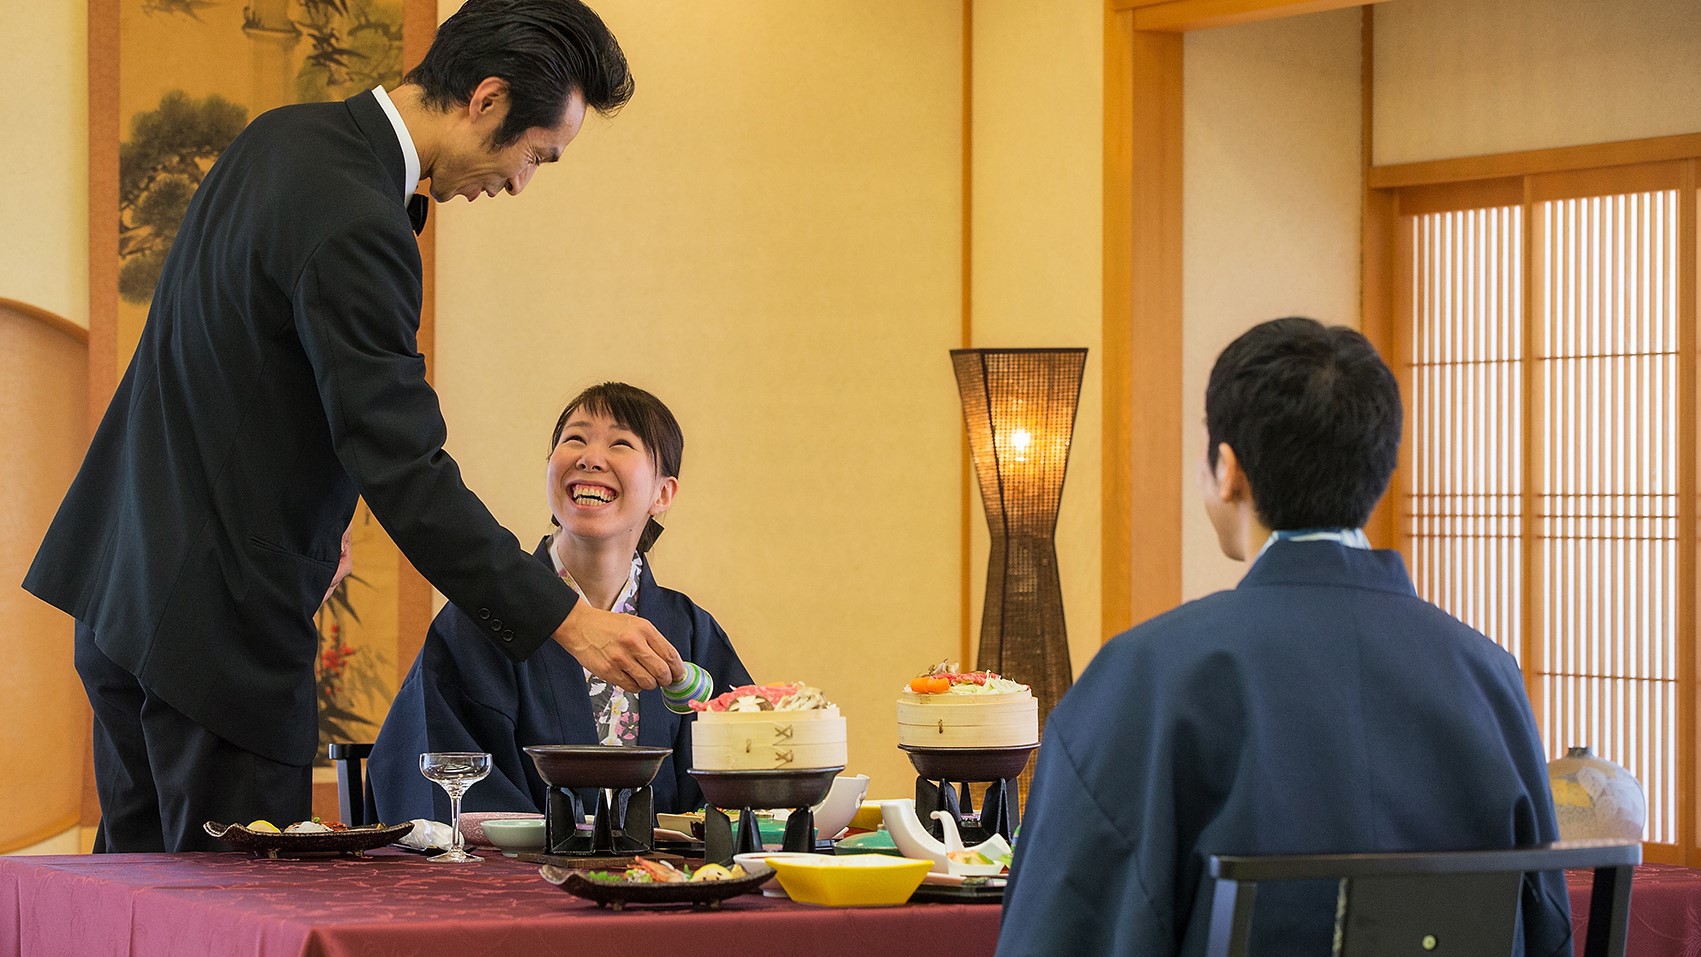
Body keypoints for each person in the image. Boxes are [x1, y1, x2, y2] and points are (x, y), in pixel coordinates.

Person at [21, 0, 685, 853]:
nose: (521, 181)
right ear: (485, 99)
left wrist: (318, 520)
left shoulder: (283, 138)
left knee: (140, 909)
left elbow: (236, 379)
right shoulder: (357, 219)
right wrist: (565, 616)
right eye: (533, 155)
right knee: (240, 910)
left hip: (124, 594)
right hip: (216, 631)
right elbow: (404, 466)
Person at [995, 318, 1569, 956]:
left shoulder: (1147, 674)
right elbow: (1544, 923)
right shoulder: (1487, 675)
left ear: (1228, 469)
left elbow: (1061, 927)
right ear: (1376, 475)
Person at [367, 383, 752, 821]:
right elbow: (438, 779)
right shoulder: (480, 620)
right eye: (575, 439)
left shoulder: (691, 632)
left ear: (662, 493)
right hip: (517, 881)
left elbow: (742, 773)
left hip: (662, 880)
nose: (590, 457)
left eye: (621, 443)